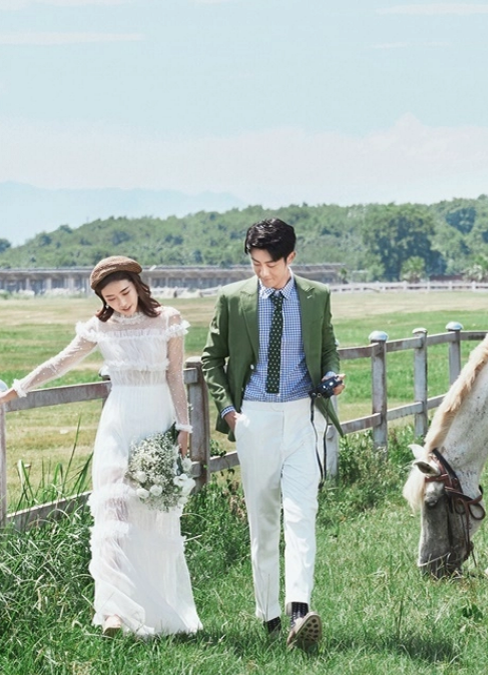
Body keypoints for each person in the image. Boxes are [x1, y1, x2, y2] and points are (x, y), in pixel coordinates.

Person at [0, 255, 202, 638]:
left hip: (156, 417)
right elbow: (59, 363)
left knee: (150, 513)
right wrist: (17, 389)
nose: (121, 303)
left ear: (137, 285)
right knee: (112, 511)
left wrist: (183, 426)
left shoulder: (168, 320)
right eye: (111, 298)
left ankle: (155, 611)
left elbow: (175, 377)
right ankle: (114, 610)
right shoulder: (101, 327)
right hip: (119, 420)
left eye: (125, 293)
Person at [200, 217, 344, 649]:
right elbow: (211, 360)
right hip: (255, 418)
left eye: (271, 264)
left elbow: (328, 347)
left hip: (304, 417)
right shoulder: (232, 299)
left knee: (303, 514)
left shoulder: (317, 296)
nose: (263, 272)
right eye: (255, 263)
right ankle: (269, 616)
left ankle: (301, 609)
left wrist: (333, 374)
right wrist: (229, 413)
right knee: (264, 522)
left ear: (291, 257)